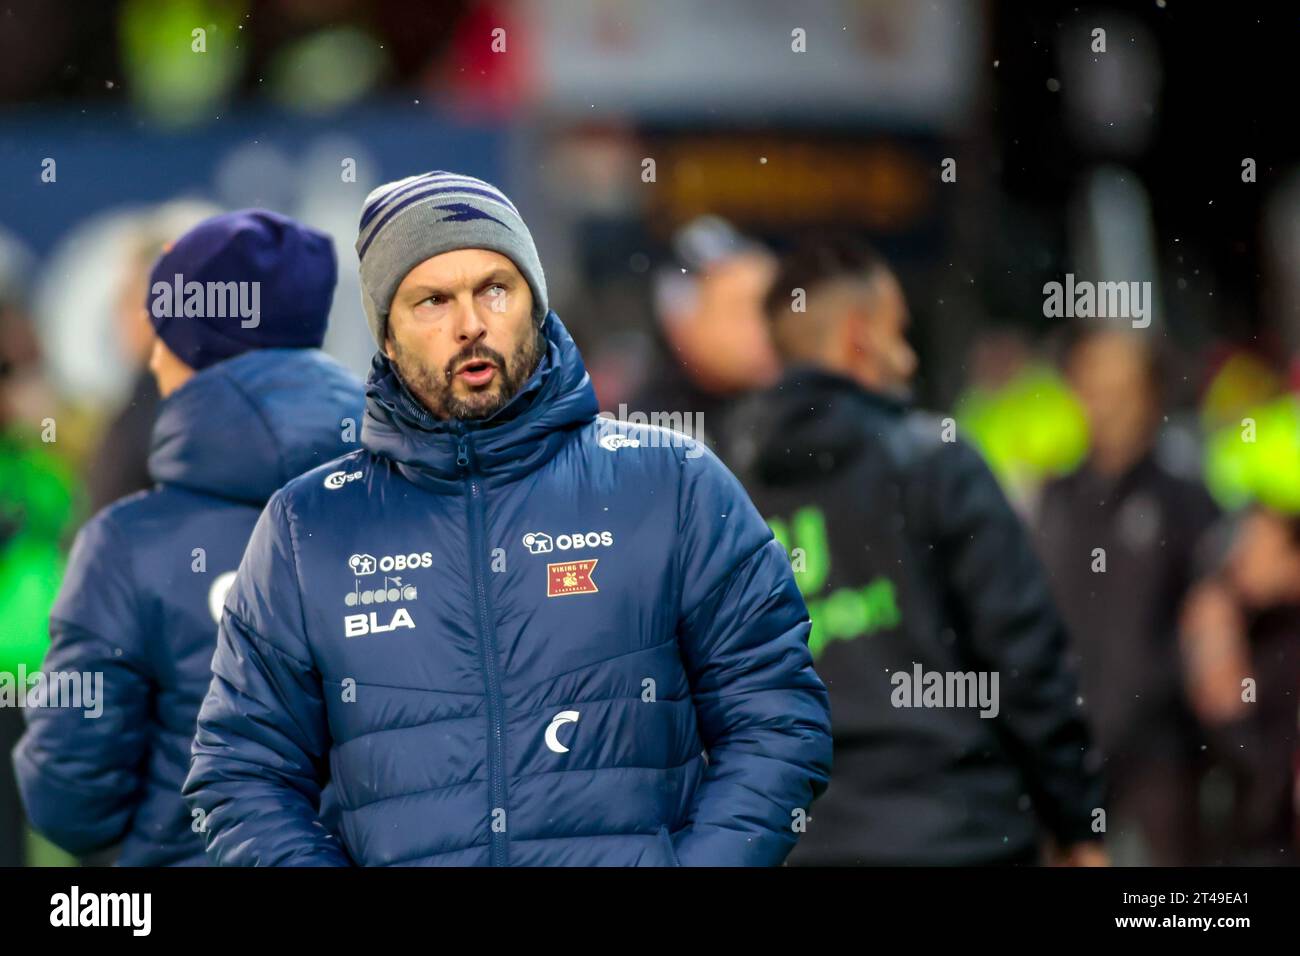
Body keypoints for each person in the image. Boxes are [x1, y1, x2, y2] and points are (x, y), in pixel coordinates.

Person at [183, 171, 832, 867]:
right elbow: (242, 776)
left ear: (536, 305)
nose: (470, 323)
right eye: (432, 300)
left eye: (495, 288)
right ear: (388, 339)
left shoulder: (672, 483)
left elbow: (776, 718)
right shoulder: (306, 528)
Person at [726, 236, 1105, 866]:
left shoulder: (723, 491)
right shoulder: (936, 463)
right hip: (956, 835)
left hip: (798, 843)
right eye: (899, 332)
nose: (908, 358)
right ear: (859, 337)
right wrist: (1077, 820)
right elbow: (1025, 659)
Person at [13, 210, 363, 866]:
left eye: (163, 333)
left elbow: (68, 792)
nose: (149, 353)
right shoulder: (405, 506)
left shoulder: (128, 538)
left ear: (187, 351)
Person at [1034, 328, 1219, 865]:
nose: (1105, 405)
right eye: (1092, 387)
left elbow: (1213, 619)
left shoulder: (1184, 498)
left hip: (1163, 758)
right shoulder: (1055, 498)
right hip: (1072, 750)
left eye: (1122, 388)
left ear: (1153, 395)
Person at [1182, 507, 1300, 864]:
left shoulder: (1285, 650)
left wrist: (1222, 653)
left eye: (1257, 546)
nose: (1238, 561)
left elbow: (1260, 762)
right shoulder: (1259, 626)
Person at [623, 215, 779, 454]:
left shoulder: (799, 408)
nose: (763, 329)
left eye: (769, 309)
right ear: (680, 323)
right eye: (738, 310)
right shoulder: (650, 433)